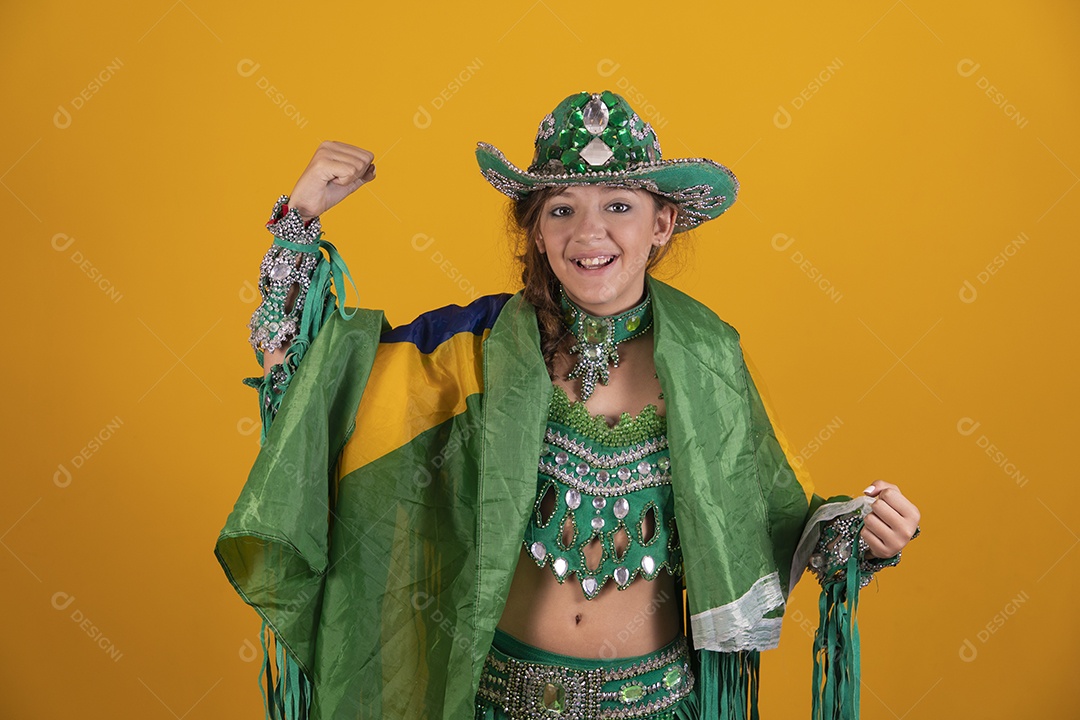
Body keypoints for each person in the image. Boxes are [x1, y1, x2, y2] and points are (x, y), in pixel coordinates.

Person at [216, 90, 921, 720]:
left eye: (618, 206)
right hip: (499, 703)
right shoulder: (471, 350)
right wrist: (299, 215)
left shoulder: (709, 359)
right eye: (562, 209)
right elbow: (306, 389)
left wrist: (860, 535)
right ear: (537, 232)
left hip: (661, 707)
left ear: (662, 226)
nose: (589, 234)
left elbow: (768, 524)